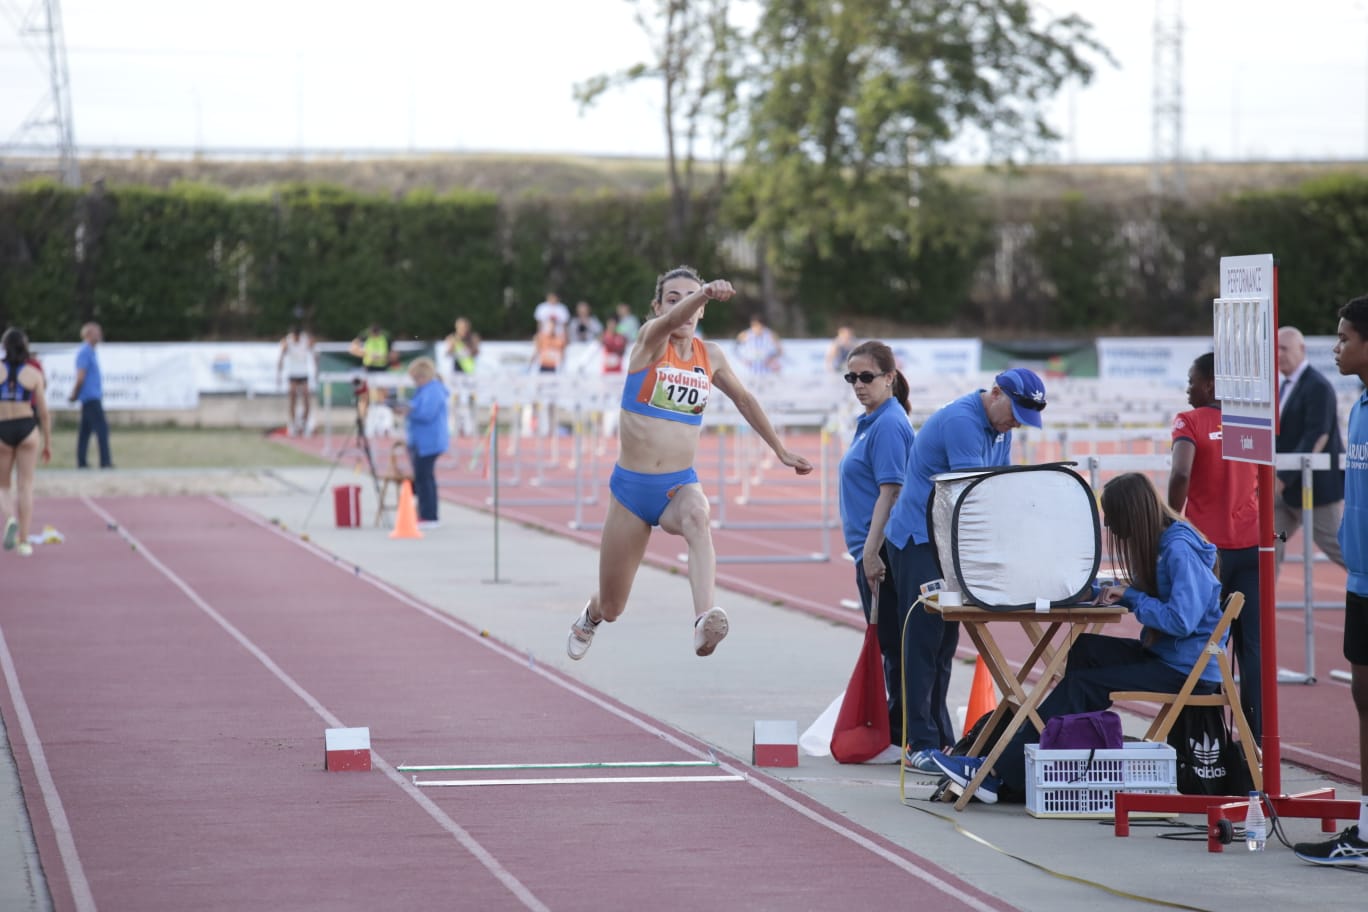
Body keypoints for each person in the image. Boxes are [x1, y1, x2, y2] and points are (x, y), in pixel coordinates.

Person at [928, 472, 1224, 804]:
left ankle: (997, 773)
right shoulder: (1162, 544)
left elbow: (1181, 620)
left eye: (1114, 524)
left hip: (1187, 670)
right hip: (1168, 656)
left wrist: (1132, 597)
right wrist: (1091, 590)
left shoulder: (1178, 550)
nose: (1112, 531)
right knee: (1085, 649)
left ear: (1131, 516)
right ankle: (1055, 759)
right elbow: (1143, 593)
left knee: (1083, 685)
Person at [565, 266, 813, 660]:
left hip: (679, 485)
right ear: (657, 307)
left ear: (703, 314)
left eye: (690, 299)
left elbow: (744, 400)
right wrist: (704, 294)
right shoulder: (647, 343)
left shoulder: (709, 355)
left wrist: (779, 450)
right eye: (672, 298)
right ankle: (591, 615)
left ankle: (703, 620)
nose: (682, 307)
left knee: (699, 515)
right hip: (631, 492)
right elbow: (674, 321)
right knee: (613, 607)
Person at [882, 367, 1047, 773]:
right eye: (1015, 413)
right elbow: (974, 495)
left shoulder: (999, 427)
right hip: (919, 539)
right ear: (995, 393)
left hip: (949, 541)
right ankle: (917, 742)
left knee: (943, 644)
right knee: (921, 641)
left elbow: (1001, 487)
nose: (1015, 425)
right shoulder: (963, 422)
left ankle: (938, 736)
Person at [1294, 296, 1368, 866]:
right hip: (1361, 581)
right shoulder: (1359, 404)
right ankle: (1365, 832)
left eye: (1344, 337)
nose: (1335, 348)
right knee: (1363, 699)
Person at [1167, 352, 1263, 741]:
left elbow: (1180, 472)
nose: (1187, 387)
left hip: (1207, 554)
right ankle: (1255, 740)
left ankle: (1198, 737)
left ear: (1209, 384)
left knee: (1200, 641)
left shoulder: (1189, 421)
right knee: (1252, 647)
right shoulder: (1251, 421)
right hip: (1252, 546)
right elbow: (1265, 481)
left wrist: (1171, 520)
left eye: (1191, 379)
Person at [837, 340, 915, 762]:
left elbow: (892, 491)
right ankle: (895, 726)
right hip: (868, 547)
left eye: (867, 377)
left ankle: (901, 731)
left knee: (893, 644)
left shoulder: (888, 423)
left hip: (880, 551)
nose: (858, 385)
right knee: (888, 643)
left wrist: (871, 552)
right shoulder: (870, 420)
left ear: (889, 377)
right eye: (852, 377)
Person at [1275, 325, 1346, 574]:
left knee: (1340, 549)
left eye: (1284, 348)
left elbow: (1317, 436)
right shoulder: (1283, 386)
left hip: (1315, 491)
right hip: (1285, 494)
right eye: (1275, 348)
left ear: (1301, 349)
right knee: (1269, 543)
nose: (1278, 354)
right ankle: (1261, 611)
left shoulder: (1317, 386)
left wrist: (1282, 478)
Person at [1, 328, 51, 558]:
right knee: (26, 486)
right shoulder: (33, 373)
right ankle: (24, 541)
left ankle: (10, 518)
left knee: (3, 486)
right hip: (27, 429)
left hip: (3, 427)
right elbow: (43, 413)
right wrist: (47, 443)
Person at [398, 357, 450, 529]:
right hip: (421, 440)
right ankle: (426, 514)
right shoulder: (424, 390)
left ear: (423, 376)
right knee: (424, 478)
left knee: (424, 479)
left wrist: (409, 411)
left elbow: (427, 414)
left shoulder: (433, 390)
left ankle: (429, 516)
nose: (415, 382)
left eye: (416, 378)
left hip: (429, 441)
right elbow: (418, 406)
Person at [68, 321, 113, 469]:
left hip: (91, 397)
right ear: (87, 334)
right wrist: (74, 394)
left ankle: (81, 462)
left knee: (85, 431)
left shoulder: (91, 352)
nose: (100, 334)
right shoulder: (84, 352)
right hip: (90, 397)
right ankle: (105, 461)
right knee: (102, 429)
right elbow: (81, 376)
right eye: (96, 332)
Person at [276, 324, 317, 437]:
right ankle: (293, 424)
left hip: (303, 372)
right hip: (292, 373)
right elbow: (281, 357)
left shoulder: (305, 340)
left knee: (306, 396)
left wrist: (315, 370)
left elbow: (313, 353)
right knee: (293, 396)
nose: (296, 339)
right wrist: (279, 374)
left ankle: (304, 422)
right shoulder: (287, 341)